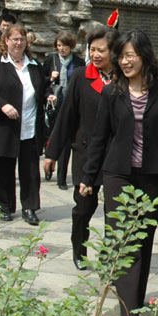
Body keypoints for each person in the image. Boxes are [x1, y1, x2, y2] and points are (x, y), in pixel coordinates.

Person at [81, 30, 158, 316]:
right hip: (118, 176)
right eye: (121, 56)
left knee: (142, 242)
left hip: (150, 176)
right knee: (123, 239)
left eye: (130, 56)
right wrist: (89, 175)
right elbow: (100, 137)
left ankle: (133, 304)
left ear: (144, 56)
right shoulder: (112, 92)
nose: (124, 62)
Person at [43, 26, 118, 270]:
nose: (96, 55)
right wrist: (52, 153)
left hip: (114, 154)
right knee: (83, 207)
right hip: (86, 152)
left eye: (101, 50)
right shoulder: (81, 76)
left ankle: (111, 255)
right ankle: (79, 249)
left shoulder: (123, 78)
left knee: (114, 209)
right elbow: (67, 116)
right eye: (92, 50)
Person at [0, 23, 48, 225]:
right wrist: (3, 105)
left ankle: (30, 208)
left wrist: (49, 95)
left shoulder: (34, 65)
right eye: (14, 39)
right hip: (3, 126)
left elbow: (41, 89)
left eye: (22, 39)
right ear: (6, 41)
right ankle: (5, 206)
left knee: (30, 171)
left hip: (29, 126)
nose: (18, 43)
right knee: (2, 169)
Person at [43, 30, 85, 189]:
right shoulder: (51, 59)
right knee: (53, 138)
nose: (61, 49)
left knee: (67, 142)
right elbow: (43, 83)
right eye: (59, 45)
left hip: (71, 106)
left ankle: (62, 178)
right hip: (54, 105)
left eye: (65, 46)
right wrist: (49, 92)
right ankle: (49, 166)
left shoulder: (79, 63)